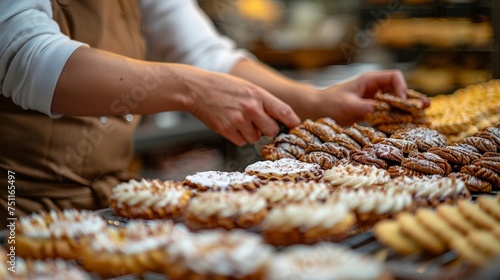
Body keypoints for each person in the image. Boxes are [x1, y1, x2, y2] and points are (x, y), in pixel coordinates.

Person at [0, 0, 427, 227]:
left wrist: (315, 101)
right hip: (19, 209)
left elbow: (204, 53)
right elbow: (25, 56)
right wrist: (189, 89)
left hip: (107, 206)